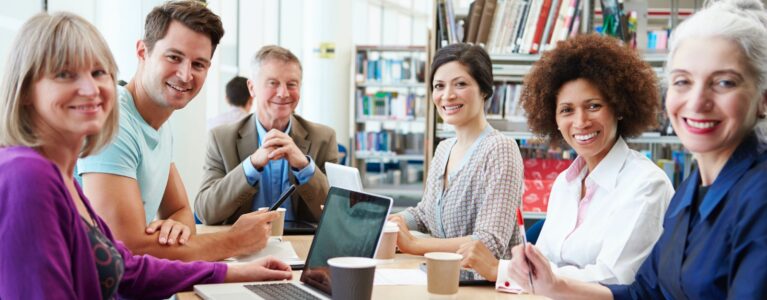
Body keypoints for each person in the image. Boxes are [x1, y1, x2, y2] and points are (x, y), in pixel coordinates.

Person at [0, 12, 292, 299]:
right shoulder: (28, 177)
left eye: (99, 72)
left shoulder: (60, 176)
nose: (90, 89)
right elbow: (131, 246)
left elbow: (126, 267)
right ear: (26, 90)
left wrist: (233, 273)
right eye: (65, 75)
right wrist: (232, 242)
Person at [508, 0, 767, 298]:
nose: (697, 102)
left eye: (724, 82)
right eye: (682, 81)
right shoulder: (689, 194)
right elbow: (644, 291)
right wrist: (555, 285)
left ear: (763, 98)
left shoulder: (758, 196)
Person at [457, 34, 674, 287]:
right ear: (554, 120)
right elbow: (545, 265)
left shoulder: (646, 185)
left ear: (619, 108)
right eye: (567, 110)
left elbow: (616, 279)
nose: (581, 122)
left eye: (593, 106)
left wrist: (501, 270)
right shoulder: (565, 183)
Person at [77, 0, 275, 261]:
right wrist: (234, 241)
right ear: (142, 52)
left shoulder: (159, 122)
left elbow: (182, 210)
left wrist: (177, 229)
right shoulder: (114, 121)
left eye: (198, 64)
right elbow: (125, 249)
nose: (185, 75)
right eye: (174, 57)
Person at [388, 43, 524, 259]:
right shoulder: (444, 149)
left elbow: (489, 242)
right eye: (439, 86)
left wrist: (413, 244)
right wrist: (393, 221)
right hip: (444, 275)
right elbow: (425, 214)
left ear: (484, 90)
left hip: (486, 287)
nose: (447, 95)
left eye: (460, 84)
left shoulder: (501, 149)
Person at [195, 45, 338, 225]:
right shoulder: (222, 139)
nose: (283, 93)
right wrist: (252, 165)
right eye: (273, 83)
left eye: (292, 84)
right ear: (252, 88)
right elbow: (206, 212)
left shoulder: (323, 138)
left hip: (302, 246)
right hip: (241, 248)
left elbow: (336, 214)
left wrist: (303, 166)